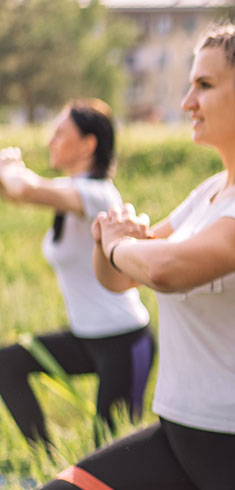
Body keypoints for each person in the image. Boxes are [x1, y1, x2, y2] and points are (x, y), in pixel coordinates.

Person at [42, 23, 235, 489]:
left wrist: (119, 245)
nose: (186, 103)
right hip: (181, 436)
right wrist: (106, 241)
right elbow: (120, 279)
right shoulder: (211, 193)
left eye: (204, 86)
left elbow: (167, 270)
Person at [0, 100, 154, 448]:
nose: (50, 141)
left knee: (110, 453)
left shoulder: (97, 195)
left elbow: (24, 187)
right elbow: (15, 192)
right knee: (6, 364)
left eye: (59, 133)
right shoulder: (70, 192)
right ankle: (46, 463)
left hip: (123, 340)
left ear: (88, 144)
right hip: (84, 338)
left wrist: (10, 165)